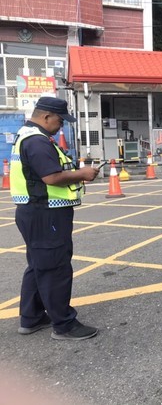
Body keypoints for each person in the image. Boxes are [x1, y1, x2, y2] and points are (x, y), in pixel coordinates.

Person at [10, 97, 100, 340]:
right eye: (60, 120)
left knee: (38, 266)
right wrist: (83, 173)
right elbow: (51, 177)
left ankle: (32, 317)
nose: (61, 125)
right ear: (46, 116)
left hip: (35, 212)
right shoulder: (37, 141)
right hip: (45, 213)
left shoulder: (27, 136)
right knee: (54, 268)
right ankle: (64, 325)